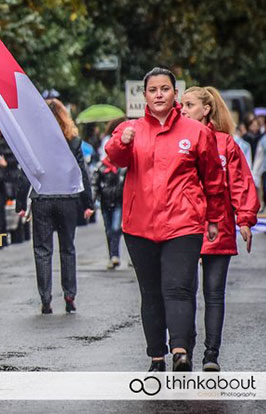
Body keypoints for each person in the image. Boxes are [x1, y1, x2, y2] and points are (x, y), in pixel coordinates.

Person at [106, 67, 225, 372]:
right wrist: (124, 142)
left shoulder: (196, 132)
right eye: (152, 90)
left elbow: (212, 177)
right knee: (151, 292)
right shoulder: (129, 129)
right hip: (139, 225)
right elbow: (113, 159)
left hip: (183, 224)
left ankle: (180, 351)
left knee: (179, 288)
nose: (158, 94)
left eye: (164, 89)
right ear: (144, 96)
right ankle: (156, 356)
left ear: (175, 94)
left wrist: (213, 217)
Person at [180, 86, 260, 371]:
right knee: (184, 293)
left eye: (189, 105)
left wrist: (246, 219)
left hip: (218, 226)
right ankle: (183, 352)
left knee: (213, 294)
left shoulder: (226, 143)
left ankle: (211, 355)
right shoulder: (178, 142)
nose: (183, 110)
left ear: (206, 109)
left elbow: (240, 183)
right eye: (182, 105)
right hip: (183, 227)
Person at [18, 98, 94, 314]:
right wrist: (88, 202)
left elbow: (26, 172)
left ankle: (45, 298)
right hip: (68, 199)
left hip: (42, 198)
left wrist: (20, 202)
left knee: (42, 250)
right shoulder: (73, 141)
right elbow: (82, 173)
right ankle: (69, 295)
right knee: (68, 248)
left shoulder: (33, 141)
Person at [92, 156, 127, 269]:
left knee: (116, 228)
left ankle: (115, 256)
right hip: (105, 203)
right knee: (109, 230)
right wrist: (91, 203)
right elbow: (95, 185)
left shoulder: (122, 167)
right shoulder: (101, 167)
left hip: (118, 202)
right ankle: (112, 256)